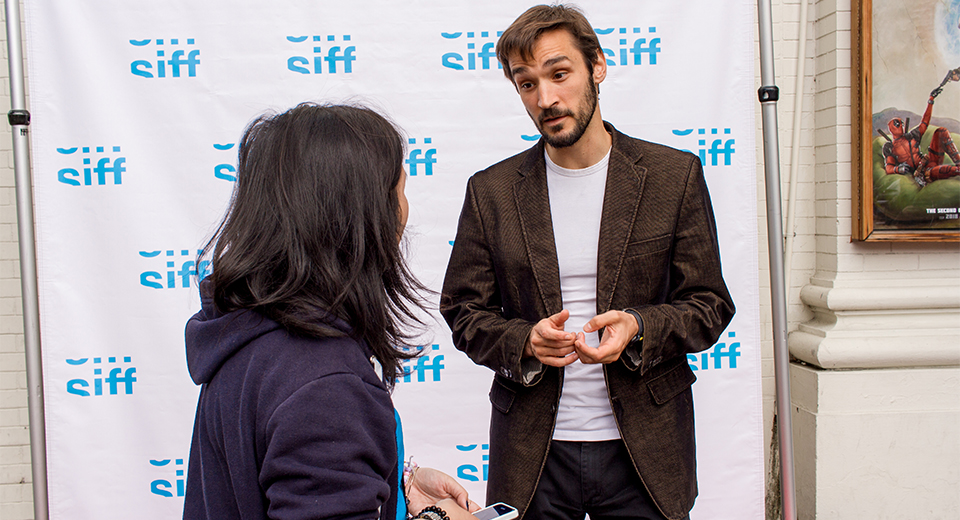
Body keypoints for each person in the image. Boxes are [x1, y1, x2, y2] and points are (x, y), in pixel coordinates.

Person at [440, 5, 735, 520]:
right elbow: (464, 311)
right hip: (534, 453)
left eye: (559, 74)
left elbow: (709, 305)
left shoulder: (673, 176)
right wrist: (523, 340)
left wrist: (640, 326)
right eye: (526, 83)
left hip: (646, 450)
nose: (546, 99)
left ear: (597, 65)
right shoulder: (491, 192)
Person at [183, 103, 480, 520]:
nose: (404, 209)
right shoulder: (325, 385)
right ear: (360, 213)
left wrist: (399, 487)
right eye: (400, 187)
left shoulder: (251, 335)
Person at [879, 68, 960, 187]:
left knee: (941, 132)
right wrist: (898, 170)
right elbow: (889, 168)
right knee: (952, 171)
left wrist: (931, 100)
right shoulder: (890, 147)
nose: (900, 124)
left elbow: (925, 122)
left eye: (900, 123)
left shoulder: (912, 136)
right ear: (890, 128)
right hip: (924, 173)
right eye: (897, 123)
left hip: (930, 161)